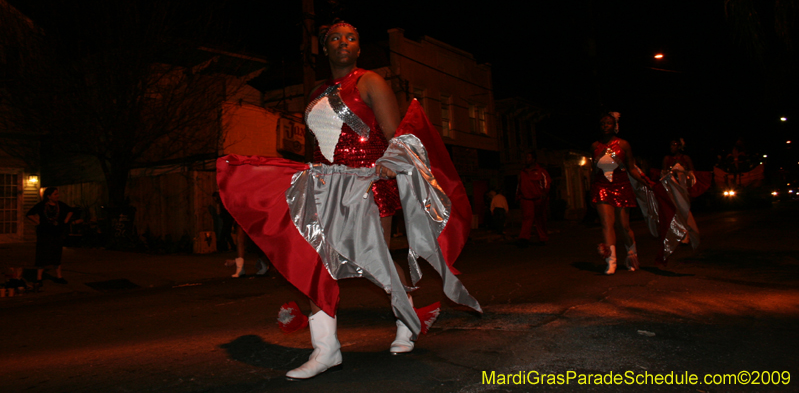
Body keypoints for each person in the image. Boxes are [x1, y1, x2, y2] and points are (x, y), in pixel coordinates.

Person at [216, 20, 480, 380]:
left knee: (378, 261)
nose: (343, 43)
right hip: (326, 185)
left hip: (369, 183)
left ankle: (407, 320)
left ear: (358, 47)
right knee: (316, 260)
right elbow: (318, 144)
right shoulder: (316, 90)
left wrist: (387, 165)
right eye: (335, 38)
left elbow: (394, 134)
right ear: (324, 48)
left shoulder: (370, 81)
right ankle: (326, 349)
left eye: (351, 38)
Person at [590, 112, 652, 274]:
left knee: (623, 226)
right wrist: (592, 190)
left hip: (622, 186)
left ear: (615, 126)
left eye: (608, 123)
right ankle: (611, 261)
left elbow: (631, 168)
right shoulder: (594, 146)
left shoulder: (624, 144)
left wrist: (646, 181)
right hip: (602, 187)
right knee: (606, 224)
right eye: (602, 123)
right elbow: (594, 171)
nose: (605, 126)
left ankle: (631, 255)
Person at [25, 187, 77, 288]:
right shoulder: (42, 206)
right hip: (44, 233)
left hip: (56, 233)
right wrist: (38, 222)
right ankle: (39, 278)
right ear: (49, 196)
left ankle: (59, 276)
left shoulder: (60, 205)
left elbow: (70, 210)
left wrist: (66, 221)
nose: (57, 196)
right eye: (55, 194)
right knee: (42, 254)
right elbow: (29, 214)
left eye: (57, 194)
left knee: (56, 253)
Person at [515, 152, 551, 247]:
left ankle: (543, 237)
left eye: (529, 157)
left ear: (534, 159)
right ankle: (524, 238)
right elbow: (520, 184)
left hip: (538, 198)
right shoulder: (523, 172)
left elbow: (547, 182)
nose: (527, 159)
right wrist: (518, 195)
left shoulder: (541, 171)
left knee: (540, 218)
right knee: (527, 218)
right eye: (526, 157)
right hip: (526, 198)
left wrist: (545, 192)